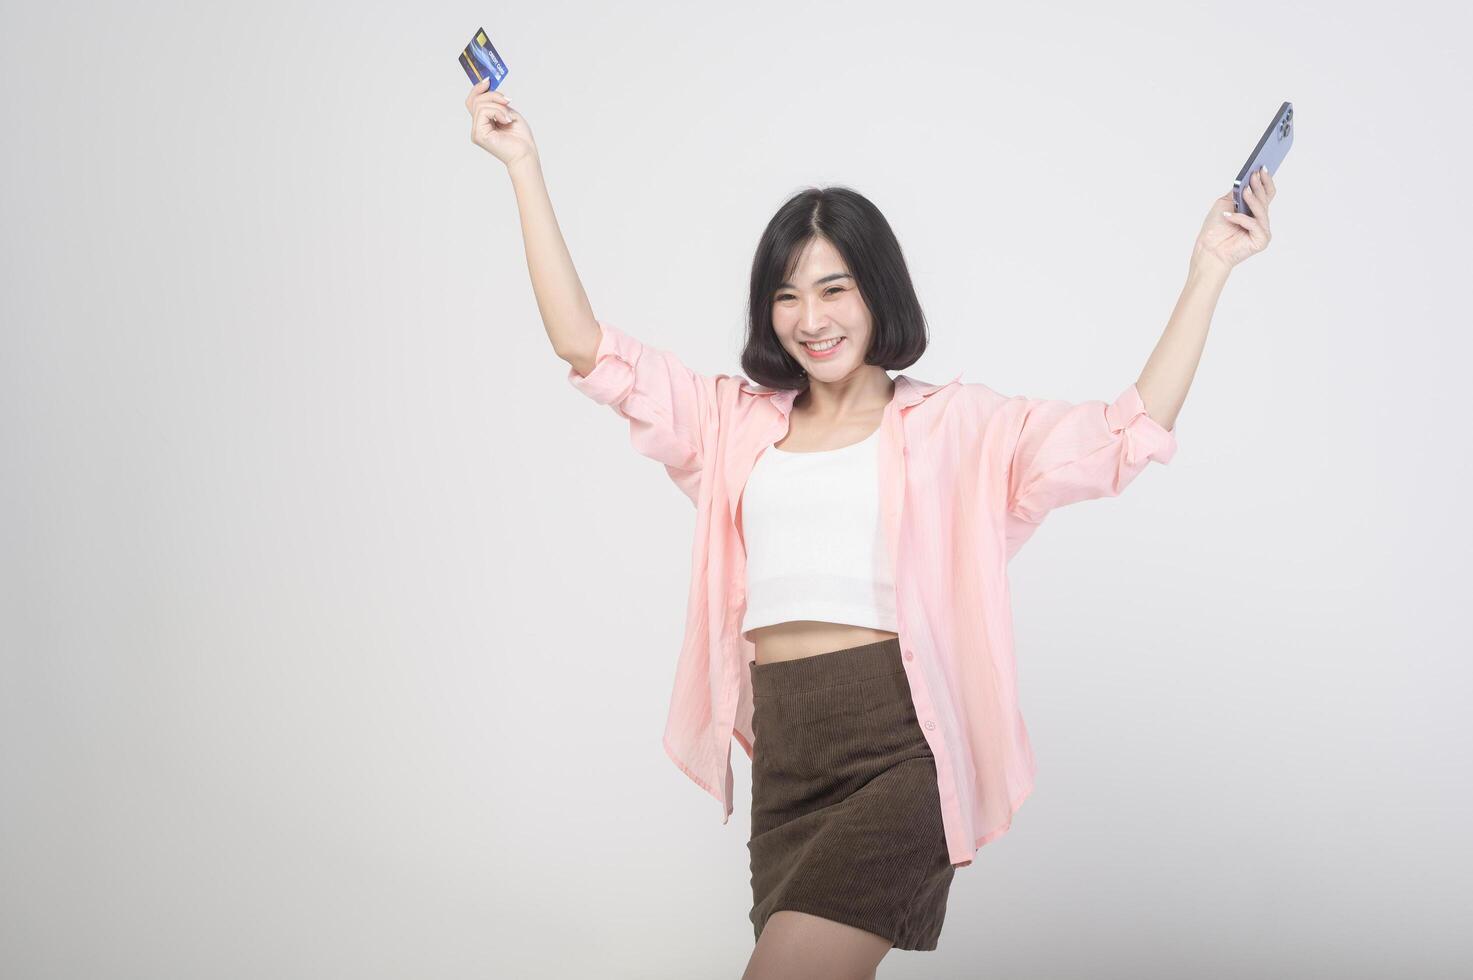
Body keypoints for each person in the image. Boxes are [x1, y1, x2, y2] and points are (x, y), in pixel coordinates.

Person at [464, 78, 1276, 979]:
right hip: (787, 758)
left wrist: (1208, 268)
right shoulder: (730, 425)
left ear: (875, 291)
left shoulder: (958, 428)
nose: (809, 319)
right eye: (785, 296)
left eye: (833, 288)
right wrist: (522, 165)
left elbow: (1122, 436)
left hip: (899, 745)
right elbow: (587, 348)